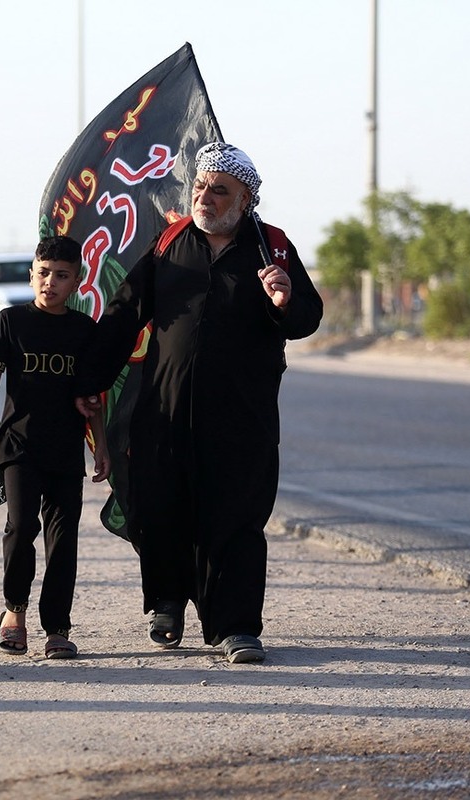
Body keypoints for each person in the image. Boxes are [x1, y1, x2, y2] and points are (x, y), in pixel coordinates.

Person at [74, 142, 323, 664]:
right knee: (160, 507)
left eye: (219, 190)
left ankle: (235, 626)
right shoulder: (169, 242)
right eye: (201, 186)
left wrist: (284, 302)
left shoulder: (272, 249)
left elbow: (307, 317)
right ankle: (167, 604)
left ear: (245, 200)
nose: (205, 197)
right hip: (164, 409)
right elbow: (124, 314)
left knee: (236, 516)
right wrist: (89, 381)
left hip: (240, 416)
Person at [0, 235, 110, 659]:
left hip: (66, 449)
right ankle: (14, 611)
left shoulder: (84, 330)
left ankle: (57, 627)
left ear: (77, 281)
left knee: (63, 540)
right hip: (18, 446)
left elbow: (92, 397)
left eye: (61, 276)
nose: (51, 282)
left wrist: (100, 446)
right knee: (20, 529)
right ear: (32, 275)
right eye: (44, 273)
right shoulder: (11, 321)